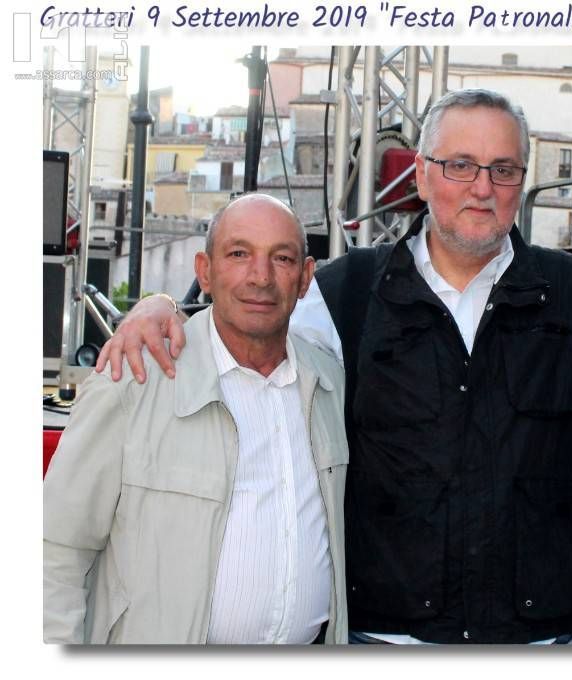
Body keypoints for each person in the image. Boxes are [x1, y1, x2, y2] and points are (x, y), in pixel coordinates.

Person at [94, 89, 572, 644]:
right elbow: (247, 323)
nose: (481, 188)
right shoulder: (343, 294)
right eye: (460, 165)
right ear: (422, 174)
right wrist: (162, 310)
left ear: (521, 181)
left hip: (540, 642)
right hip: (386, 642)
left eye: (502, 169)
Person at [44, 194, 350, 644]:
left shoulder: (329, 382)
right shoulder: (133, 381)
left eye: (281, 258)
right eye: (239, 254)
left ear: (305, 278)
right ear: (205, 271)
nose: (260, 277)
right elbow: (55, 551)